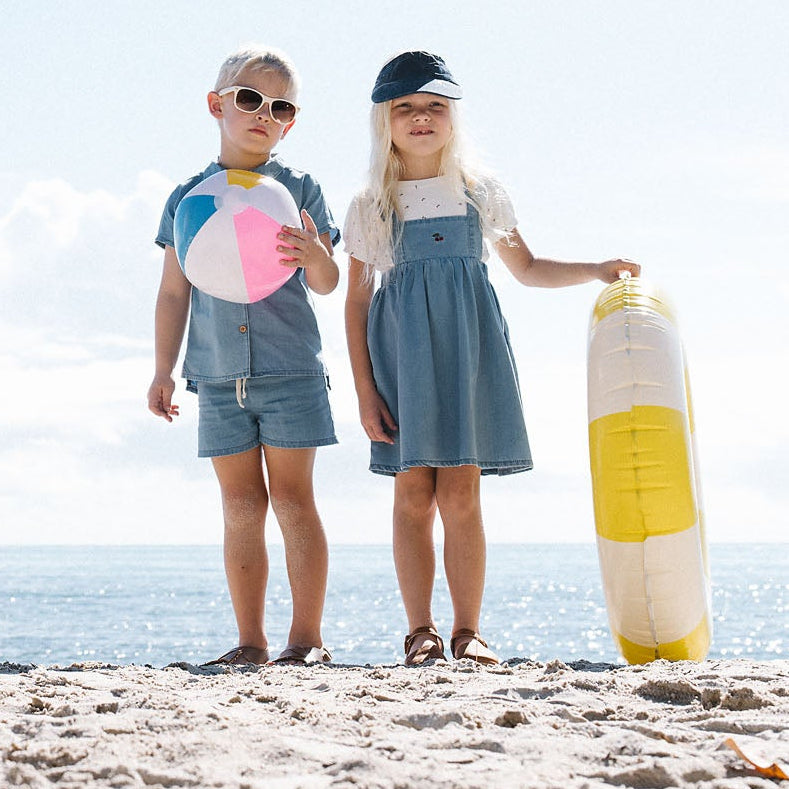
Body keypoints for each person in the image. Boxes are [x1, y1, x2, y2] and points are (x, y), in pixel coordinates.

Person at [344, 51, 640, 667]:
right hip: (404, 362)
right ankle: (419, 632)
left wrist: (594, 270)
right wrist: (365, 392)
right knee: (411, 497)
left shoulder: (480, 193)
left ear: (452, 116)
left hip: (468, 355)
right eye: (406, 107)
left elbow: (527, 269)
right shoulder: (373, 203)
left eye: (434, 106)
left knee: (461, 496)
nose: (421, 118)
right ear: (385, 120)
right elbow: (356, 302)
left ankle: (468, 630)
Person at [147, 47, 339, 666]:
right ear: (217, 104)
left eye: (279, 106)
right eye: (249, 98)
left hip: (290, 369)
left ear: (290, 122)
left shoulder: (301, 189)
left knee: (291, 499)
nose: (264, 113)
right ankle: (250, 641)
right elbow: (174, 291)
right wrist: (162, 370)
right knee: (239, 506)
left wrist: (316, 256)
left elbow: (328, 281)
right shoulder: (187, 198)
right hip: (216, 373)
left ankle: (305, 640)